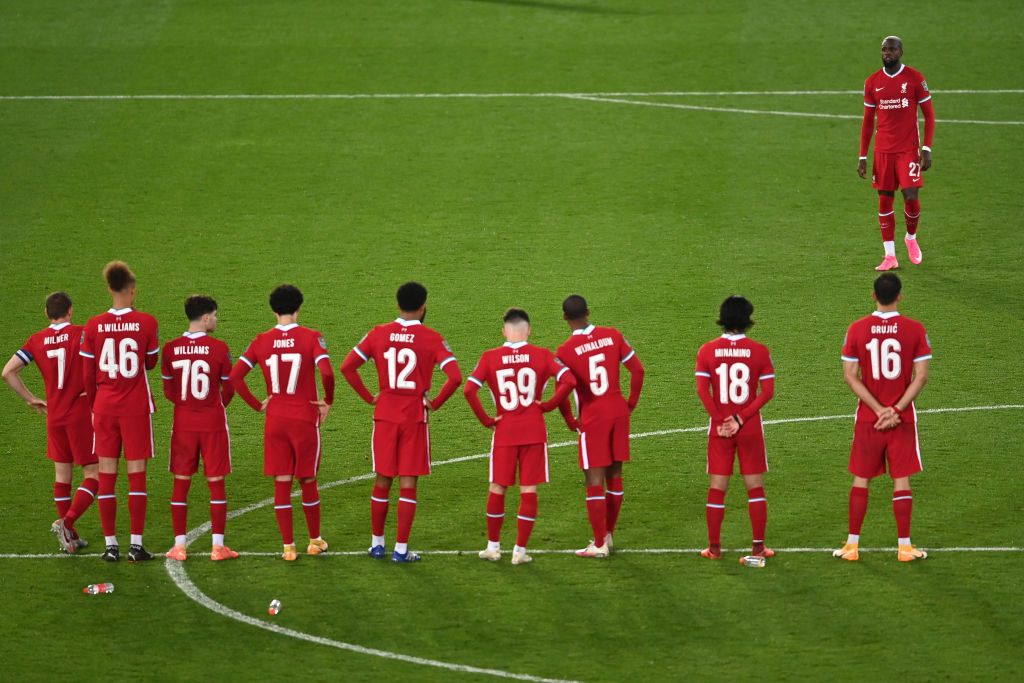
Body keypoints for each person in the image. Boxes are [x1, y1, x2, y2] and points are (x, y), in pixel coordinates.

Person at [340, 281, 462, 563]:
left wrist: (369, 396)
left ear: (397, 305)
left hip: (385, 415)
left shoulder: (378, 333)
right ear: (423, 307)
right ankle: (401, 551)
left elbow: (347, 366)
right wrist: (435, 402)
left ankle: (377, 545)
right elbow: (455, 377)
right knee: (408, 483)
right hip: (414, 417)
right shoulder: (432, 337)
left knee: (383, 480)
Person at [464, 308, 577, 565]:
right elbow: (569, 381)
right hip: (534, 430)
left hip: (504, 431)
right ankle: (519, 551)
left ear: (504, 331)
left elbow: (469, 389)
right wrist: (547, 405)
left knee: (497, 487)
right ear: (528, 330)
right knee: (529, 489)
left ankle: (493, 547)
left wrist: (487, 420)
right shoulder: (543, 355)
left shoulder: (489, 357)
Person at [229, 284, 334, 562]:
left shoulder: (261, 341)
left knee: (282, 481)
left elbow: (234, 377)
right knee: (308, 479)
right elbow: (327, 372)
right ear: (299, 308)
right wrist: (328, 400)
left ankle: (288, 547)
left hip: (275, 419)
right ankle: (314, 541)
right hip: (304, 418)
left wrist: (257, 404)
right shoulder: (312, 337)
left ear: (273, 310)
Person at [835, 273, 931, 562]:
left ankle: (852, 547)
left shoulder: (856, 329)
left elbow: (850, 377)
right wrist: (896, 411)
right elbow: (921, 377)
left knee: (860, 479)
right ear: (900, 295)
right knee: (901, 480)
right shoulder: (915, 329)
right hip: (902, 420)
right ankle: (904, 547)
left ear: (873, 295)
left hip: (868, 419)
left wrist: (878, 411)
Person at [3, 291, 97, 553]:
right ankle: (66, 522)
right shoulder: (82, 333)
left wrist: (31, 399)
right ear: (70, 311)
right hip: (80, 411)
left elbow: (7, 372)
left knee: (62, 476)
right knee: (94, 474)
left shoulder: (36, 340)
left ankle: (71, 538)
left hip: (54, 414)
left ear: (46, 313)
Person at [79, 261, 160, 562]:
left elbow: (87, 375)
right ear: (133, 290)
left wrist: (94, 406)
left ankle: (111, 546)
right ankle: (136, 546)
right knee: (137, 477)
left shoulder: (93, 325)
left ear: (109, 289)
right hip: (135, 408)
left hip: (104, 408)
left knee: (107, 476)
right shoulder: (147, 322)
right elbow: (150, 363)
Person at [555, 295, 644, 558]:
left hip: (593, 417)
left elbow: (565, 388)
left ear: (565, 318)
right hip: (618, 412)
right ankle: (609, 535)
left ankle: (599, 544)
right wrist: (630, 404)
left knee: (593, 479)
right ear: (588, 312)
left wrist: (570, 420)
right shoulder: (613, 335)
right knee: (615, 474)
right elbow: (637, 370)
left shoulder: (564, 351)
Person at [694, 296, 776, 560]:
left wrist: (721, 421)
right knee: (754, 487)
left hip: (719, 430)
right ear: (748, 320)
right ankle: (758, 547)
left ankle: (715, 548)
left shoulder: (706, 350)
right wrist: (740, 419)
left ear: (722, 318)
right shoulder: (760, 351)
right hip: (749, 428)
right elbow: (768, 392)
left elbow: (702, 391)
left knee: (717, 487)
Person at [161, 295, 238, 562]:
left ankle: (179, 546)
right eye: (215, 315)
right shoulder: (219, 348)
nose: (216, 320)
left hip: (183, 423)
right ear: (206, 317)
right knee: (216, 484)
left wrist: (187, 405)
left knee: (181, 483)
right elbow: (229, 388)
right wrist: (218, 404)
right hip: (213, 423)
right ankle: (218, 547)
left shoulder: (170, 349)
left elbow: (169, 390)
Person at [858, 35, 935, 271]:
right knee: (884, 200)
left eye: (891, 49)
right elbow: (868, 121)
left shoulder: (914, 78)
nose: (887, 53)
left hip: (908, 149)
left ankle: (910, 238)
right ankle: (889, 255)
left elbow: (929, 116)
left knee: (911, 196)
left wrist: (926, 148)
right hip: (883, 151)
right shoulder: (872, 82)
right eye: (883, 49)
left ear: (901, 52)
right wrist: (863, 156)